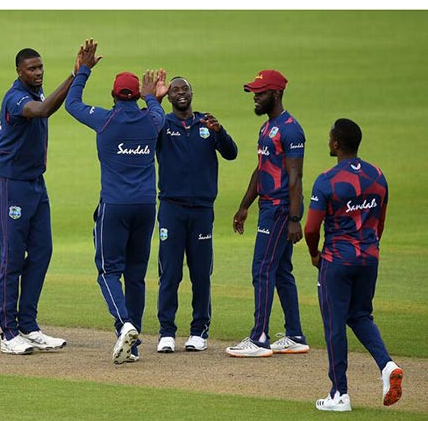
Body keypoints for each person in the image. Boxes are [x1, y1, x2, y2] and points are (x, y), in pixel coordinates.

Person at [65, 39, 165, 364]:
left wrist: (83, 71)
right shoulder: (153, 120)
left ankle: (124, 325)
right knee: (136, 275)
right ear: (136, 95)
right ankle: (132, 347)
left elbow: (72, 104)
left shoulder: (104, 119)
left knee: (108, 271)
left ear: (112, 95)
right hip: (146, 207)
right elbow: (157, 110)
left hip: (115, 207)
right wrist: (151, 97)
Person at [305, 118, 403, 411]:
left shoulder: (327, 180)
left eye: (330, 137)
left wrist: (314, 254)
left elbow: (311, 228)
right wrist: (371, 247)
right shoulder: (377, 175)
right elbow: (381, 221)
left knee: (335, 323)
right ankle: (387, 367)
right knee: (360, 316)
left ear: (336, 144)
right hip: (369, 257)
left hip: (336, 260)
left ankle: (340, 394)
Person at [0, 46, 79, 354]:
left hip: (35, 183)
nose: (38, 72)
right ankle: (8, 332)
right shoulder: (17, 98)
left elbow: (45, 107)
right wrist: (76, 75)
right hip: (9, 184)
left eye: (40, 67)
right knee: (13, 256)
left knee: (42, 250)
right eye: (31, 69)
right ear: (19, 72)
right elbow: (42, 112)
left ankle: (28, 324)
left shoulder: (38, 94)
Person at [226, 70, 310, 357]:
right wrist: (244, 205)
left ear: (275, 94)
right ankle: (295, 334)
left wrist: (295, 219)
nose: (255, 98)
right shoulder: (267, 128)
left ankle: (259, 338)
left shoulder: (290, 129)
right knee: (282, 271)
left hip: (279, 210)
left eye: (259, 93)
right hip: (268, 208)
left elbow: (295, 177)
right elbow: (261, 169)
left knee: (262, 269)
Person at [153, 76, 238, 353]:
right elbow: (141, 129)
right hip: (171, 208)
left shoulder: (206, 124)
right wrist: (153, 99)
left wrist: (220, 131)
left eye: (184, 89)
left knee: (201, 273)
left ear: (192, 93)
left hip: (202, 210)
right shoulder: (162, 124)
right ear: (168, 97)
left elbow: (231, 153)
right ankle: (166, 332)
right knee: (170, 272)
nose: (180, 94)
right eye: (175, 90)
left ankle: (199, 331)